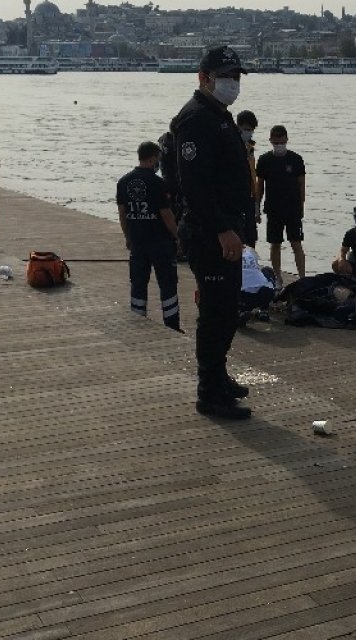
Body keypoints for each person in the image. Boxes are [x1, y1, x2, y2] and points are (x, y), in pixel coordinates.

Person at [170, 45, 254, 420]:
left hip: (226, 228)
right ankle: (209, 391)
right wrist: (222, 231)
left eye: (236, 77)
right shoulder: (196, 119)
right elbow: (195, 186)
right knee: (216, 311)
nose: (232, 83)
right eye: (225, 77)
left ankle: (218, 375)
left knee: (227, 308)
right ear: (204, 78)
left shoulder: (219, 114)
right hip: (209, 231)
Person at [117, 141, 181, 331]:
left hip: (137, 241)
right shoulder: (157, 183)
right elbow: (166, 215)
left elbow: (122, 214)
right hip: (160, 243)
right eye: (158, 158)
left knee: (138, 284)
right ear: (153, 158)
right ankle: (171, 326)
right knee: (168, 285)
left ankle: (138, 322)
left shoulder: (124, 182)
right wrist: (177, 236)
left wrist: (127, 236)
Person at [256, 124, 306, 284]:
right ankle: (278, 276)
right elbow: (260, 186)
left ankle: (302, 277)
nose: (279, 145)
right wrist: (256, 207)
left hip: (293, 209)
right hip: (273, 209)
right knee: (275, 243)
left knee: (296, 243)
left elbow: (301, 186)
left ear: (286, 140)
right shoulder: (264, 160)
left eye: (281, 142)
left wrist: (301, 207)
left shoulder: (296, 159)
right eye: (276, 143)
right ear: (270, 140)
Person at [236, 110, 262, 247]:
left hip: (250, 197)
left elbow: (253, 176)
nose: (249, 132)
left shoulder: (250, 148)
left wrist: (257, 206)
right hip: (235, 197)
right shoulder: (230, 145)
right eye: (246, 129)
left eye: (251, 130)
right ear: (238, 127)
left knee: (251, 236)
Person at [238, 246, 277, 325]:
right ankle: (263, 310)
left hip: (243, 296)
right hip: (264, 294)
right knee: (267, 270)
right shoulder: (250, 251)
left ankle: (240, 311)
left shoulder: (226, 254)